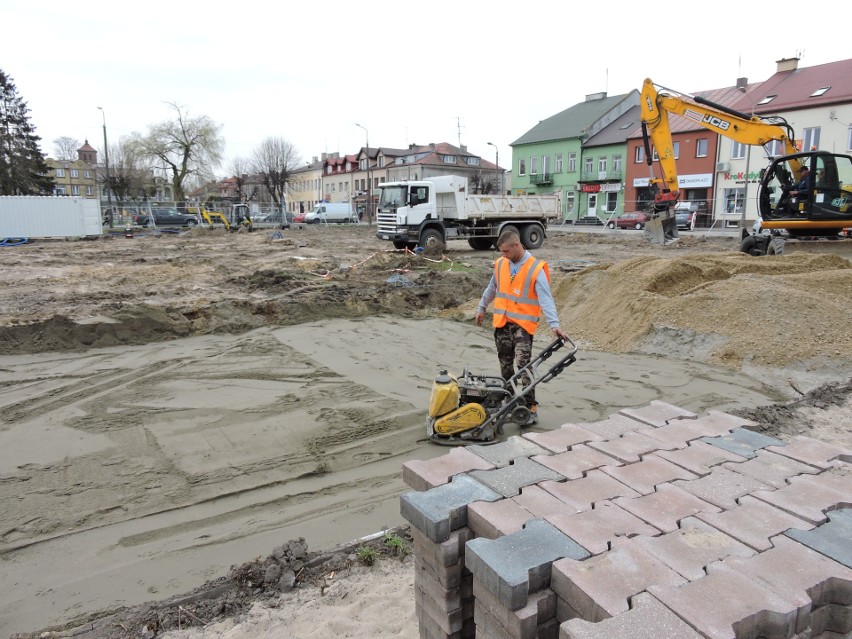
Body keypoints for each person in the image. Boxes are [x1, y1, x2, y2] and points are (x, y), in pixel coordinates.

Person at [475, 231, 569, 426]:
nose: (503, 255)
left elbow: (546, 298)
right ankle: (508, 398)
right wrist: (481, 307)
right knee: (505, 365)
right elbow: (492, 288)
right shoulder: (502, 264)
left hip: (522, 326)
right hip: (502, 323)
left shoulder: (535, 268)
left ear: (517, 245)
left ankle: (530, 405)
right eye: (501, 252)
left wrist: (555, 325)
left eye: (506, 251)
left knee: (523, 365)